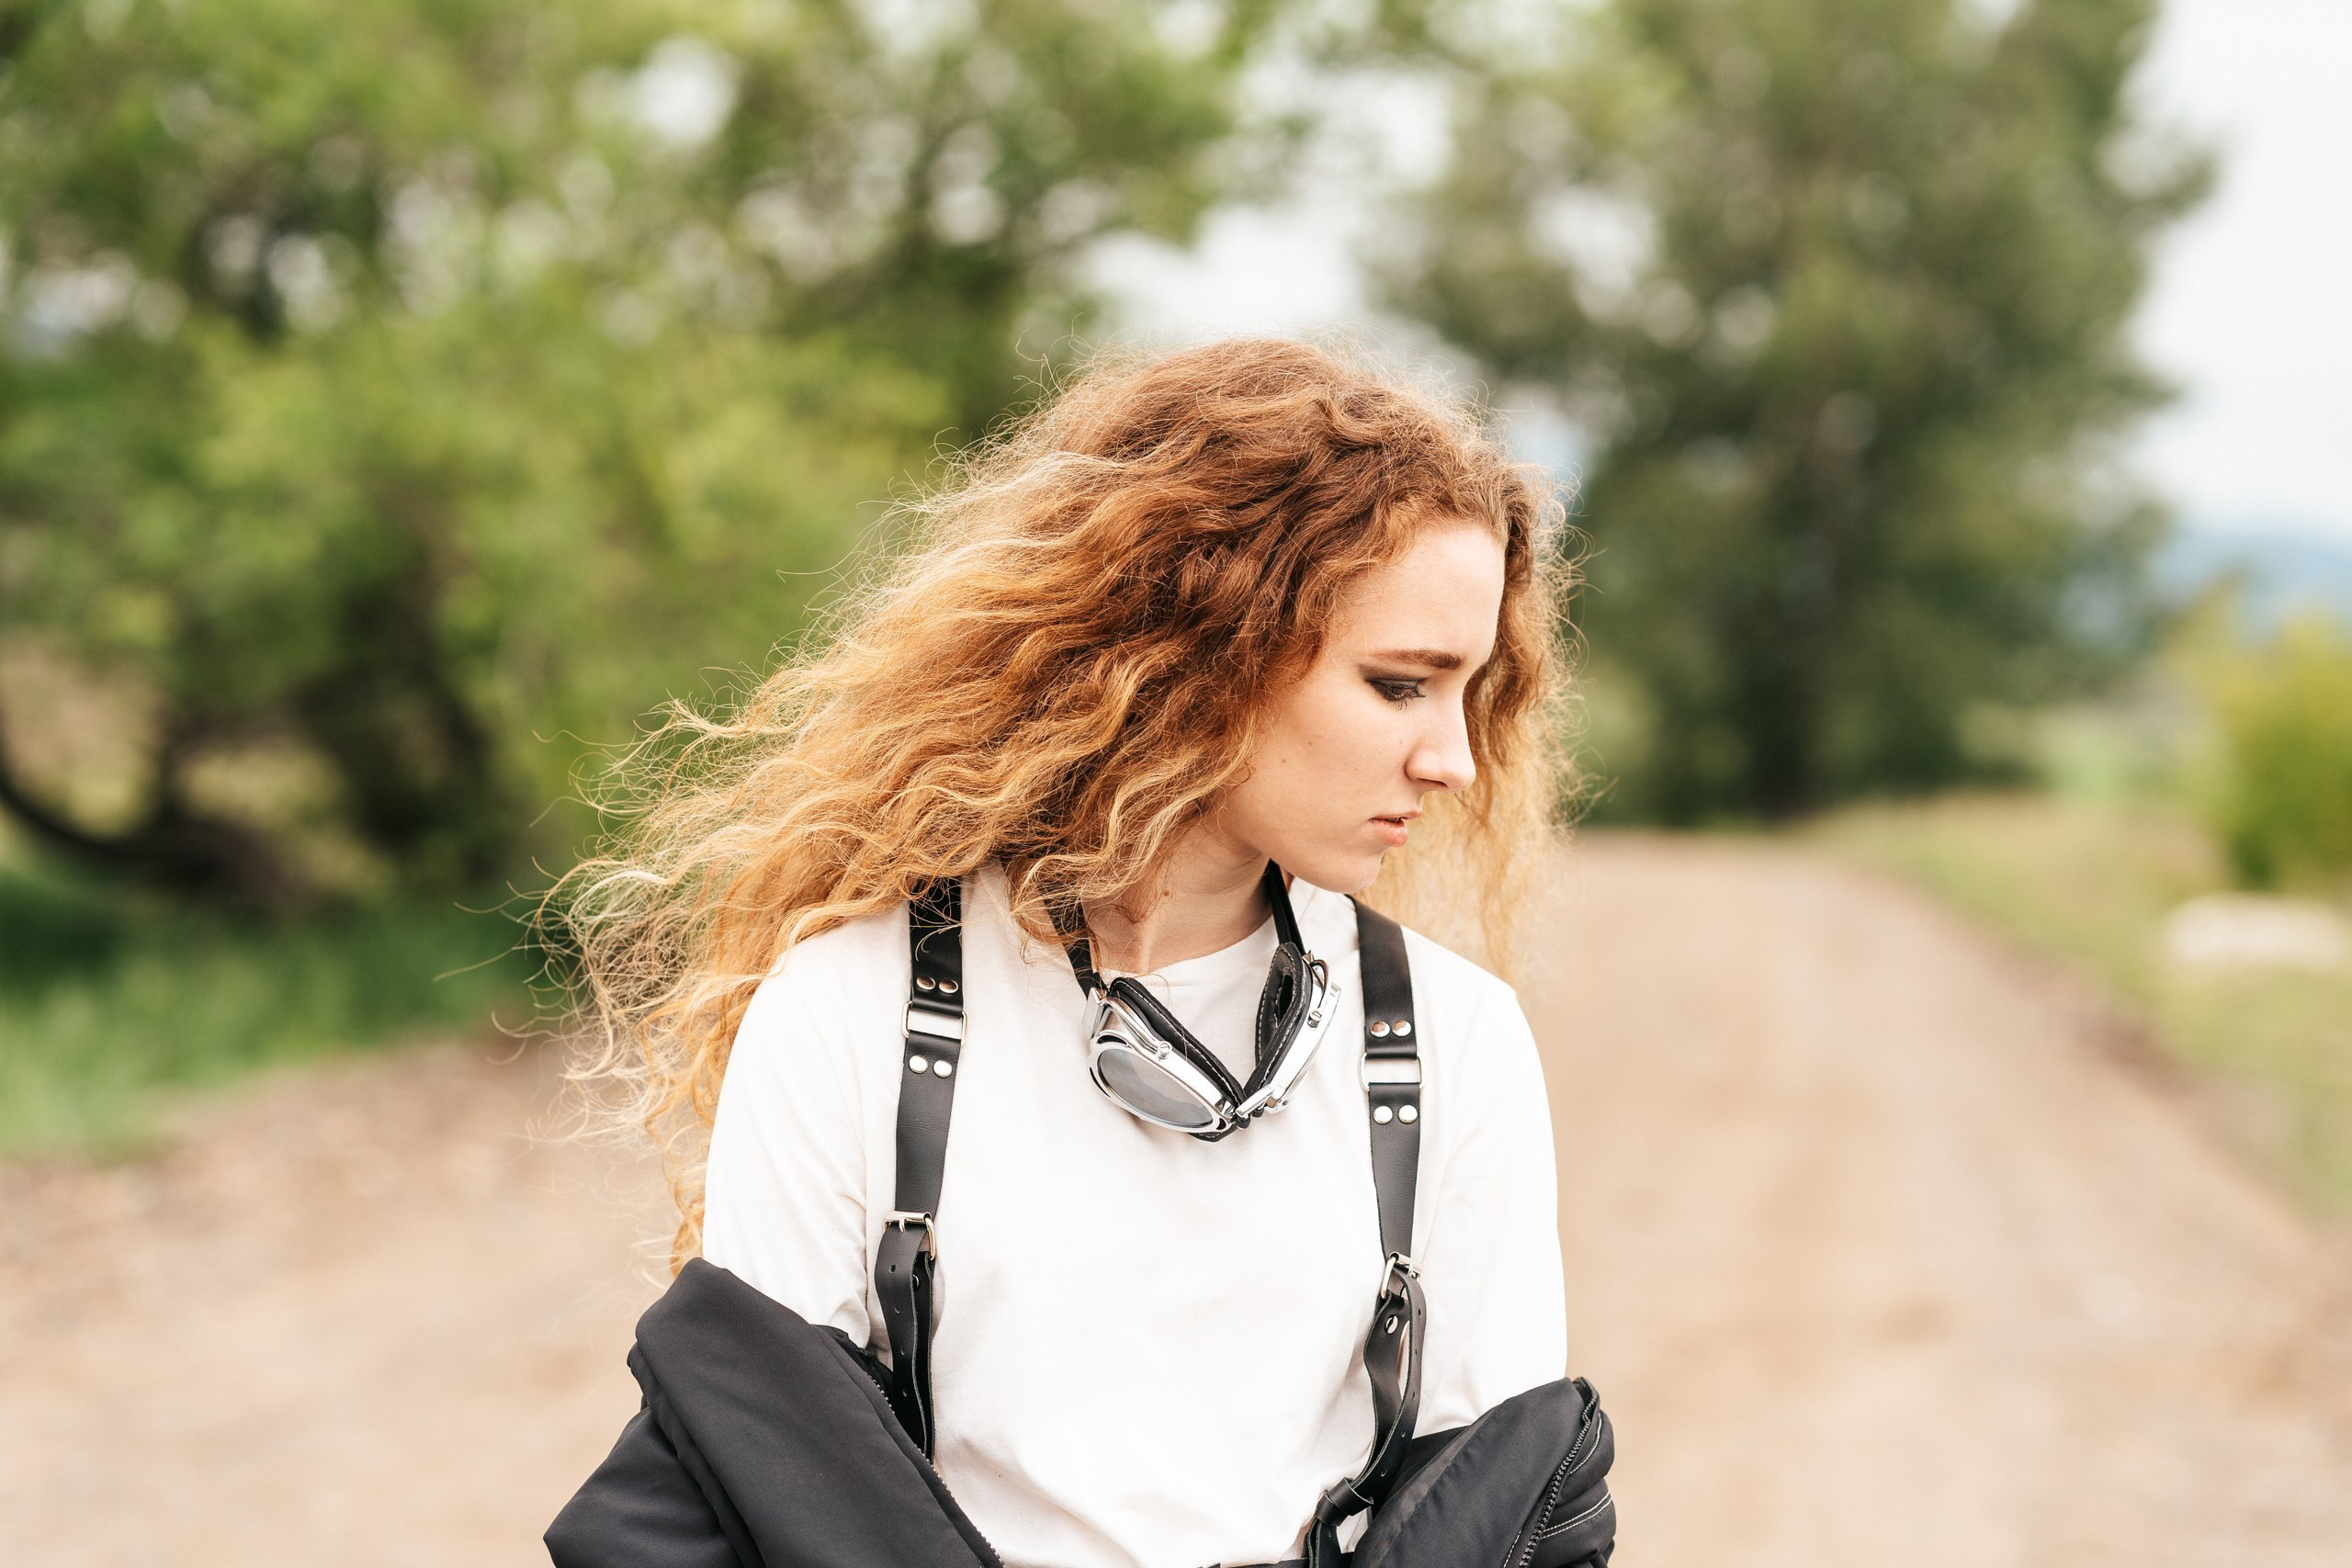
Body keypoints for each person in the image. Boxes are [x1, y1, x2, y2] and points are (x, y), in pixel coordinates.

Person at [559, 337, 1575, 1568]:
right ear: (1208, 641)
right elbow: (756, 1492)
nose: (1454, 760)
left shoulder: (1455, 1042)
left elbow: (1504, 1519)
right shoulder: (848, 1013)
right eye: (1401, 684)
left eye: (1471, 693)